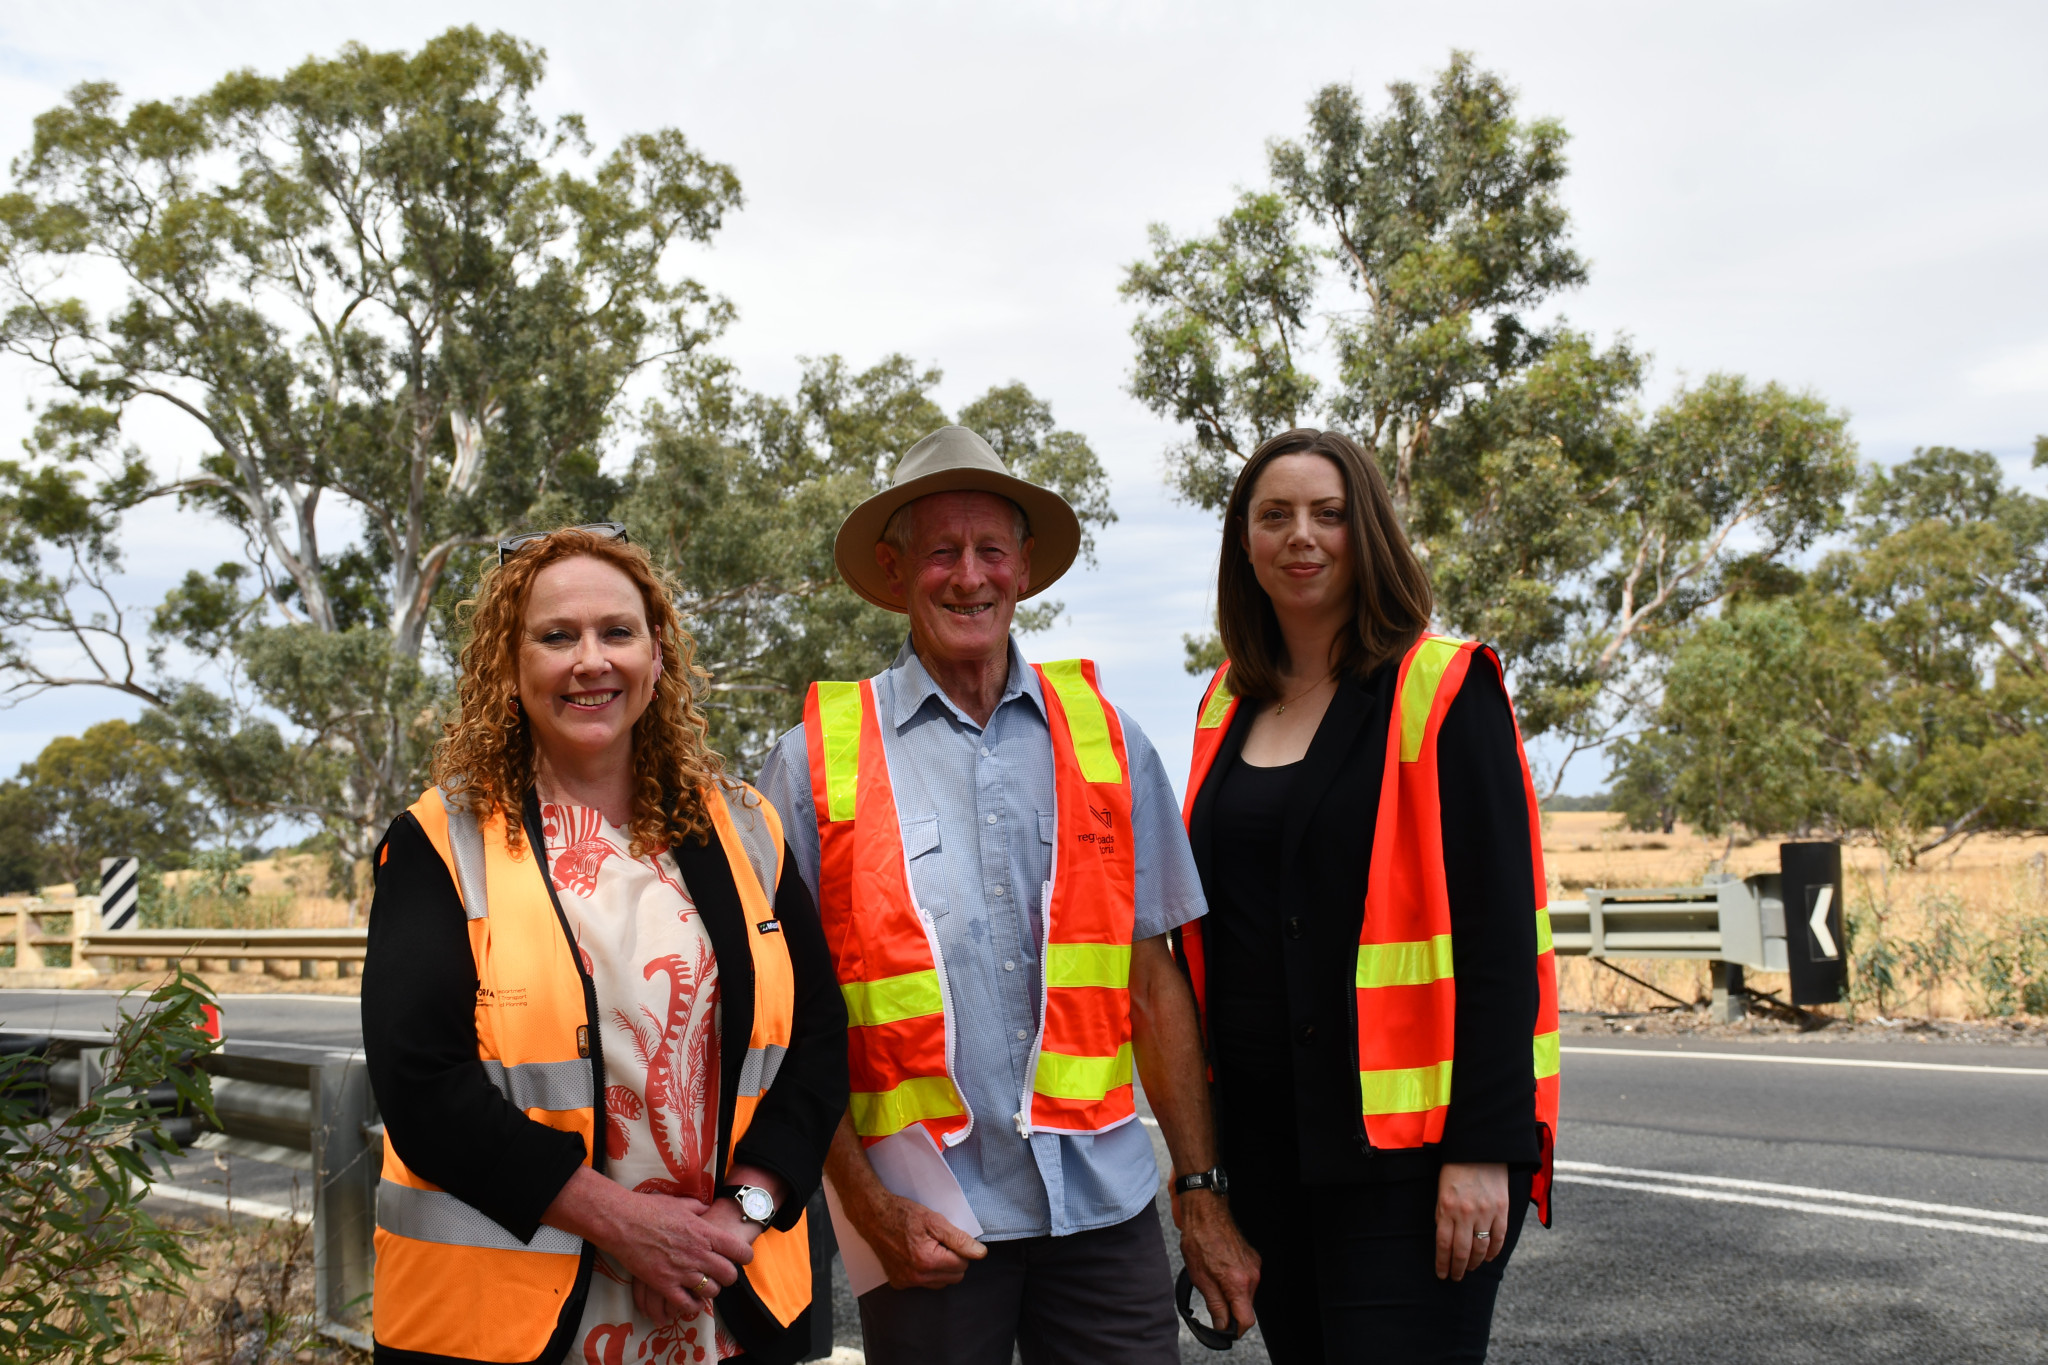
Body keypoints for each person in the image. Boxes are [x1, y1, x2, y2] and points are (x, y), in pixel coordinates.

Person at [757, 426, 1260, 1365]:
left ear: (1025, 567)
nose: (969, 575)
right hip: (928, 1220)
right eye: (941, 551)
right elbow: (787, 1019)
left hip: (1102, 1209)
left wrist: (1203, 1189)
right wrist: (865, 1206)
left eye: (991, 549)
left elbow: (1153, 990)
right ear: (895, 566)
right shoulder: (811, 761)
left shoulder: (1109, 740)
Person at [363, 525, 848, 1365]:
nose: (591, 660)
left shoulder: (744, 827)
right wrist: (625, 1225)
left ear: (657, 658)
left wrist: (737, 1220)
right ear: (510, 668)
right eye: (557, 637)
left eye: (616, 632)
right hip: (507, 1327)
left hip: (723, 1305)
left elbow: (816, 1045)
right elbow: (421, 1086)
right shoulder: (441, 841)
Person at [1176, 429, 1560, 1363]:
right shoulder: (1227, 701)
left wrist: (1484, 1147)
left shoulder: (1444, 686)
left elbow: (1504, 940)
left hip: (1413, 1158)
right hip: (1272, 1155)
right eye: (1274, 515)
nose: (1301, 536)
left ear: (1369, 533)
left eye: (1329, 513)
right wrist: (1208, 1174)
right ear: (1245, 543)